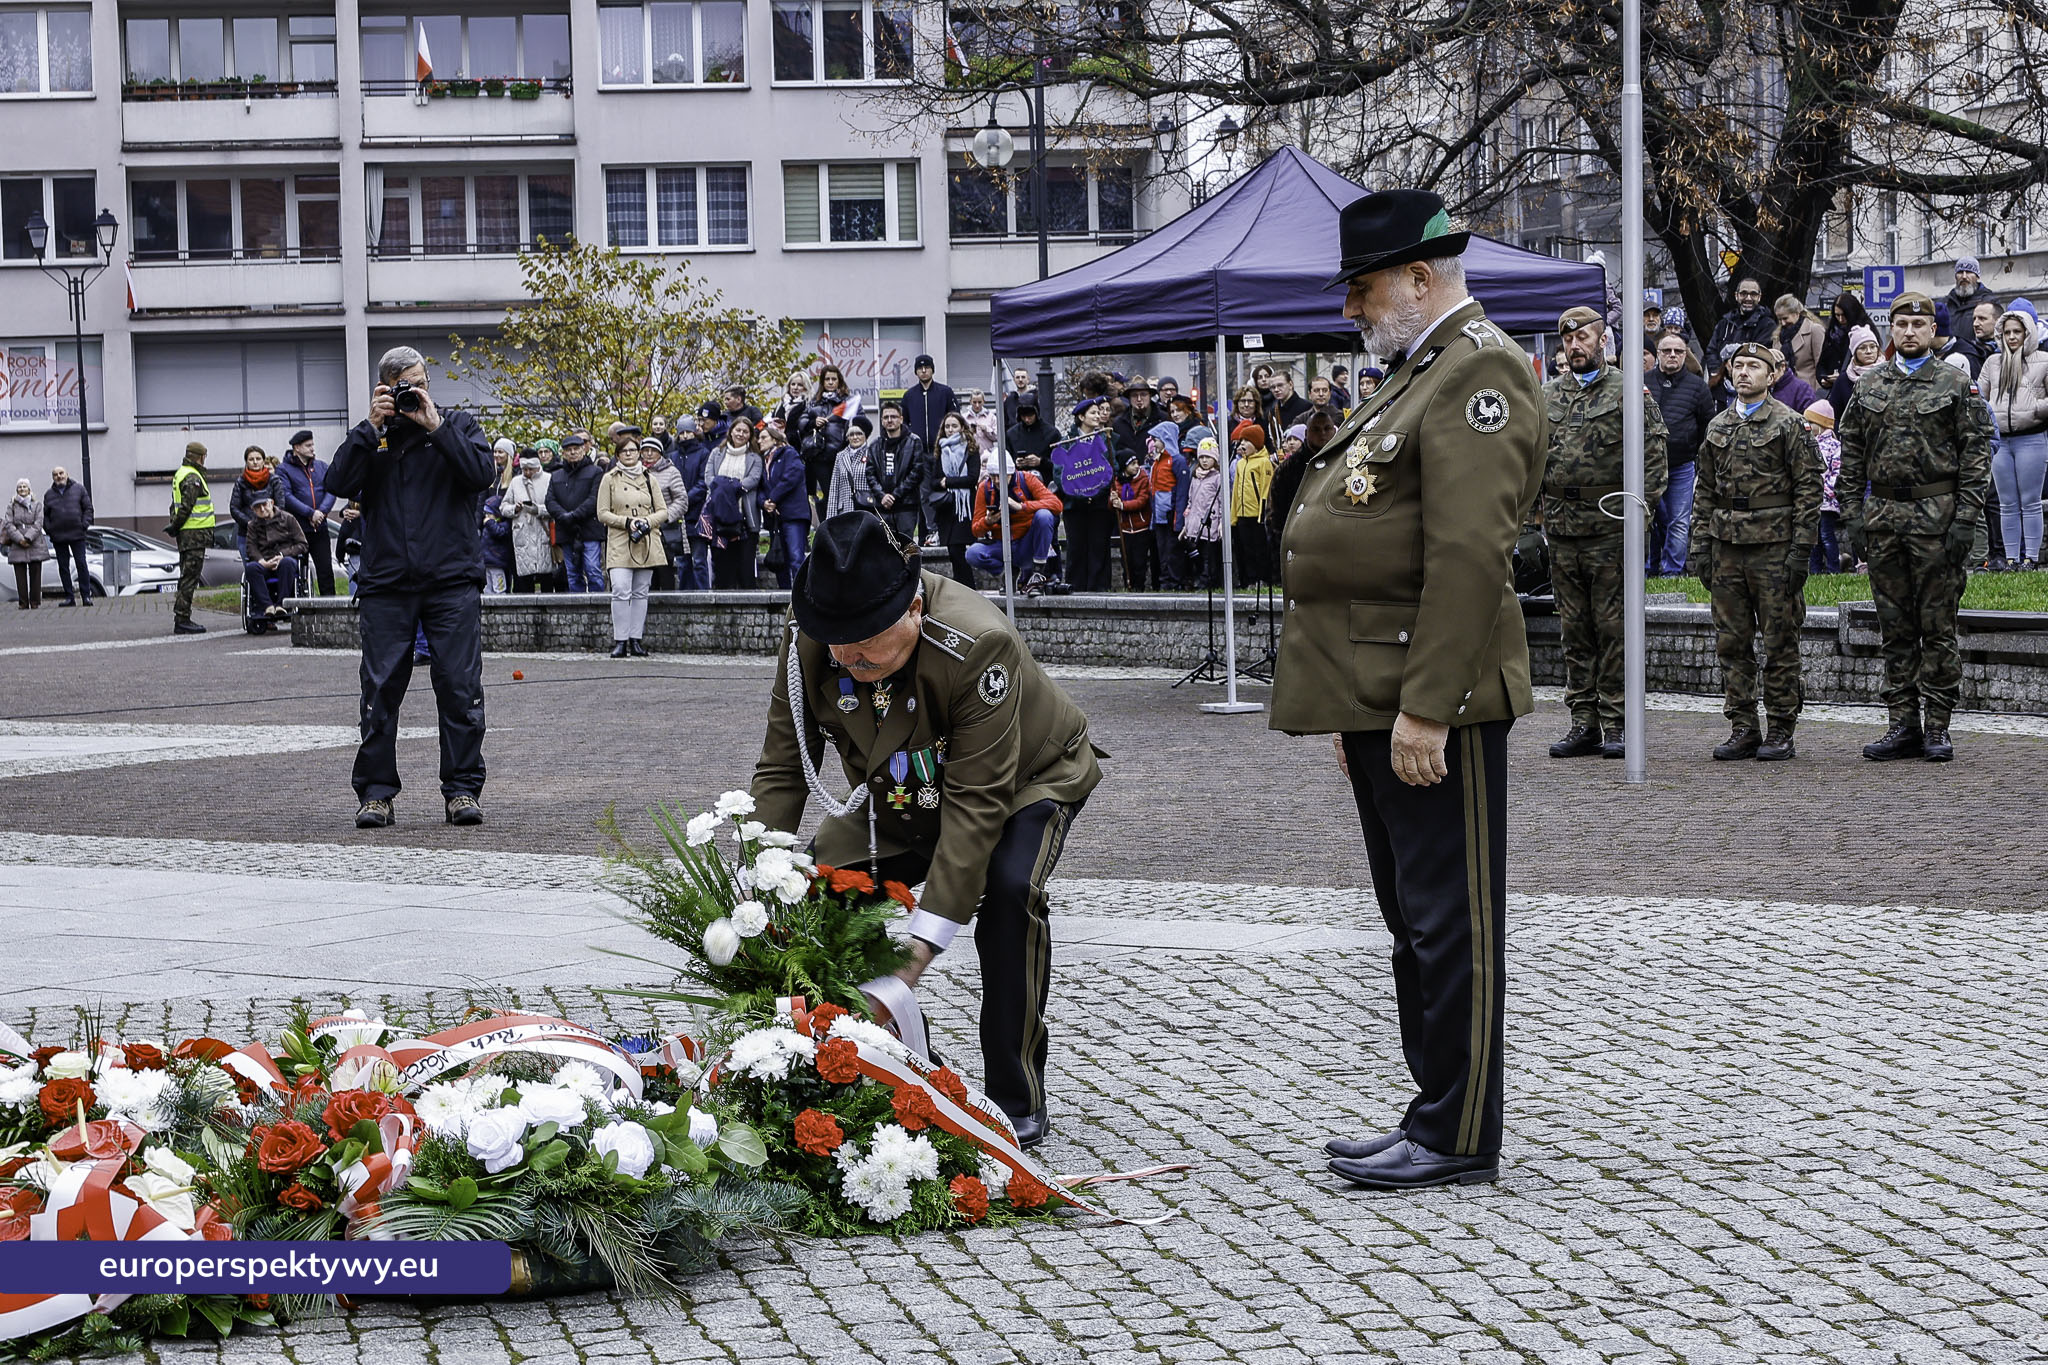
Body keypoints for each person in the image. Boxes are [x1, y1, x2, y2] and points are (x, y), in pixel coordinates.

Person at [1266, 187, 1544, 1191]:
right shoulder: (1420, 369)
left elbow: (1467, 559)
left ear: (1420, 277)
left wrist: (1423, 707)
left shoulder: (1478, 374)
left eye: (1364, 286)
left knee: (1447, 920)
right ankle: (1433, 1111)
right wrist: (1362, 710)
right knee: (1410, 919)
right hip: (1378, 693)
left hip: (1437, 700)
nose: (1351, 307)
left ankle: (1459, 1133)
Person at [751, 512, 1100, 1148]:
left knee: (1008, 892)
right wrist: (757, 888)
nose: (848, 661)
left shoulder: (975, 643)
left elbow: (975, 810)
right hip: (902, 787)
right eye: (838, 646)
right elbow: (782, 767)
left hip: (1024, 779)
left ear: (914, 608)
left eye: (865, 647)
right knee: (821, 891)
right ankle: (888, 1067)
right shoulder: (814, 634)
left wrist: (913, 959)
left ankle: (1011, 1098)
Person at [326, 344, 496, 829]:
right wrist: (370, 427)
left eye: (418, 383)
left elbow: (481, 474)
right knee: (379, 691)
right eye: (401, 387)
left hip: (450, 581)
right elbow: (338, 480)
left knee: (461, 689)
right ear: (384, 388)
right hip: (386, 584)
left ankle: (462, 790)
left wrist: (434, 425)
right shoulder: (373, 437)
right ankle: (376, 795)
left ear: (428, 381)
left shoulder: (457, 426)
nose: (411, 394)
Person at [1838, 292, 1994, 764]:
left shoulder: (1954, 384)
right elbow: (1850, 456)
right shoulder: (1870, 385)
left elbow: (1975, 455)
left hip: (1936, 521)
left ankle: (1938, 726)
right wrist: (1852, 516)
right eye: (1901, 324)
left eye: (1917, 325)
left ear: (1932, 332)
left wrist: (1966, 519)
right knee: (1895, 627)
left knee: (1937, 625)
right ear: (1891, 329)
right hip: (1884, 520)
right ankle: (1902, 724)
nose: (1908, 332)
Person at [1541, 306, 1669, 760]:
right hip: (1561, 529)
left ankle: (1616, 722)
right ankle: (1584, 721)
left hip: (1610, 529)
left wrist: (1642, 516)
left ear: (1602, 342)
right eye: (1568, 340)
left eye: (1584, 339)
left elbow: (1654, 459)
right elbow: (1531, 459)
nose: (1575, 347)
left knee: (1612, 628)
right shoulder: (1547, 396)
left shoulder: (1627, 392)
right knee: (1574, 630)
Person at [1688, 342, 1823, 762]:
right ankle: (1743, 725)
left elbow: (1808, 491)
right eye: (1738, 365)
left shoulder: (1789, 424)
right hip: (1727, 548)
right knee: (1732, 641)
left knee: (1780, 640)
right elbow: (1704, 490)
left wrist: (1801, 550)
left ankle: (1781, 726)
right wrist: (1700, 547)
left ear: (1773, 373)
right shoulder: (1717, 426)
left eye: (1754, 366)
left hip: (1773, 548)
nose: (1744, 372)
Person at [1978, 307, 2048, 570]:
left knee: (2030, 502)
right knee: (2007, 504)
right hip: (2001, 441)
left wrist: (2035, 409)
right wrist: (1989, 417)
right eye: (2006, 332)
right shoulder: (1992, 363)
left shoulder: (2043, 360)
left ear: (2027, 333)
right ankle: (2011, 559)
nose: (2011, 337)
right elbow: (1978, 398)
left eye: (2017, 331)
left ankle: (2030, 558)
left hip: (2032, 437)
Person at [1649, 332, 1714, 576]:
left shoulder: (1697, 387)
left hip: (1682, 465)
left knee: (1679, 520)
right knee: (1651, 519)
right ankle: (1648, 568)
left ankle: (1672, 572)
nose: (1673, 355)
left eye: (1678, 351)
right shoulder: (1643, 382)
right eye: (1667, 351)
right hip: (1649, 466)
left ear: (1686, 354)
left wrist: (1694, 453)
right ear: (1658, 354)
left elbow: (1707, 425)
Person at [596, 438, 669, 656]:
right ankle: (620, 640)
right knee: (620, 588)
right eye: (624, 451)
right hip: (620, 538)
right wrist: (626, 522)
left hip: (645, 538)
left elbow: (663, 510)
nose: (629, 454)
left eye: (633, 450)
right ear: (617, 455)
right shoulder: (609, 479)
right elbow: (602, 513)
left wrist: (647, 521)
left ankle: (636, 639)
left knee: (640, 591)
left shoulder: (649, 479)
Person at [968, 453, 1062, 592]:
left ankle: (1038, 572)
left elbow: (1056, 504)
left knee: (1044, 515)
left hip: (1027, 542)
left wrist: (1022, 506)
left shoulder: (1027, 479)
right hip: (1002, 544)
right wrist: (988, 522)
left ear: (1011, 472)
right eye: (993, 476)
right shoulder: (984, 488)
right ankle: (1008, 572)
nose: (997, 481)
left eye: (1001, 476)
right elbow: (976, 529)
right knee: (972, 553)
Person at [706, 416, 765, 588]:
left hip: (745, 518)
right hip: (719, 518)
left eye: (745, 431)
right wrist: (728, 486)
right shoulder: (716, 453)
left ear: (750, 435)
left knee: (745, 568)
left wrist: (727, 486)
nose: (741, 434)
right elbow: (709, 478)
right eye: (738, 430)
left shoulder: (755, 457)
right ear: (731, 431)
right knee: (723, 568)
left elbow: (753, 480)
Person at [277, 429, 337, 595]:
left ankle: (330, 607)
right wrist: (310, 513)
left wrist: (321, 513)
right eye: (308, 445)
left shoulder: (321, 467)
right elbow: (287, 496)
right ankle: (294, 606)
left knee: (325, 571)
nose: (312, 448)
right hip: (297, 530)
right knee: (294, 570)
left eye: (312, 444)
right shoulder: (283, 470)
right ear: (297, 447)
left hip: (319, 528)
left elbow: (331, 490)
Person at [167, 441, 217, 634]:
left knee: (186, 576)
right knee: (189, 578)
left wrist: (174, 525)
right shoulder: (192, 477)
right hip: (194, 535)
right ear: (201, 457)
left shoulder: (181, 473)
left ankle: (182, 617)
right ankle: (182, 619)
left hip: (187, 534)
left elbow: (175, 505)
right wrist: (175, 525)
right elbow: (186, 507)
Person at [546, 432, 605, 592]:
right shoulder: (556, 475)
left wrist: (573, 515)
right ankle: (578, 610)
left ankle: (599, 606)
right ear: (563, 453)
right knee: (572, 573)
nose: (572, 452)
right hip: (566, 530)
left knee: (593, 570)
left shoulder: (596, 472)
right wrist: (563, 516)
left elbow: (594, 499)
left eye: (576, 448)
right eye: (568, 449)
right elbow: (550, 501)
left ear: (584, 449)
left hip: (589, 529)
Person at [927, 411, 980, 586]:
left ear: (962, 427)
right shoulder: (941, 450)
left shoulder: (970, 449)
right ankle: (962, 587)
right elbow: (933, 481)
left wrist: (948, 481)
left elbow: (972, 478)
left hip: (964, 507)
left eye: (954, 426)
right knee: (952, 551)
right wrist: (944, 482)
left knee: (959, 550)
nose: (950, 430)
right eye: (947, 426)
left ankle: (968, 588)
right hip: (946, 508)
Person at [864, 399, 928, 545]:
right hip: (882, 507)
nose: (889, 420)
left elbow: (917, 472)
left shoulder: (913, 442)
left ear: (901, 419)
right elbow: (870, 474)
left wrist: (895, 495)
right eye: (886, 417)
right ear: (881, 421)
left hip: (906, 505)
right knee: (883, 549)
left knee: (906, 548)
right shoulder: (875, 445)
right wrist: (882, 496)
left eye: (893, 416)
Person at [242, 491, 309, 624]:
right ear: (253, 510)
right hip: (265, 561)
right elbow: (251, 548)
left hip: (285, 559)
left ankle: (281, 605)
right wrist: (262, 562)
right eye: (257, 507)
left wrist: (282, 555)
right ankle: (267, 606)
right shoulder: (252, 525)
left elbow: (302, 544)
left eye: (264, 505)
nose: (262, 509)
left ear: (271, 503)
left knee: (288, 563)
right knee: (251, 568)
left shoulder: (288, 519)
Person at [1706, 278, 1777, 396]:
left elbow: (1760, 354)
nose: (1748, 298)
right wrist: (1717, 370)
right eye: (1744, 293)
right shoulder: (1724, 324)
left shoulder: (1767, 325)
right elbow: (1711, 351)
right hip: (1722, 389)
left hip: (1752, 388)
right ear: (1736, 296)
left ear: (1759, 297)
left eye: (1753, 294)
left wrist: (1735, 365)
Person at [762, 423, 812, 589]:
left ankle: (801, 594)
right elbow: (761, 486)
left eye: (764, 437)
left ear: (775, 439)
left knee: (795, 556)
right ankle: (784, 592)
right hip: (776, 517)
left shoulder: (789, 454)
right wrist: (765, 502)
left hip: (793, 515)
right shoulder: (764, 461)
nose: (760, 441)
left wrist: (773, 498)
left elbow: (792, 476)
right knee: (780, 557)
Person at [799, 366, 853, 515]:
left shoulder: (848, 401)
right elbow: (801, 423)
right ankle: (826, 528)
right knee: (824, 496)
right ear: (822, 382)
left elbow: (857, 423)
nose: (830, 382)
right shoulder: (813, 403)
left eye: (833, 379)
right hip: (819, 456)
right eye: (827, 379)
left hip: (841, 455)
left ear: (839, 381)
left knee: (843, 495)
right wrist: (813, 423)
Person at [1228, 421, 1276, 586]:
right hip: (1243, 513)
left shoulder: (1264, 462)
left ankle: (1263, 579)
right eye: (1241, 441)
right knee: (1246, 549)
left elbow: (1266, 487)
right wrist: (1233, 515)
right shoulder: (1241, 464)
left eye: (1246, 441)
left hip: (1257, 514)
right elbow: (1236, 491)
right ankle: (1249, 579)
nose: (1242, 444)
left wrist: (1263, 513)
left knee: (1260, 549)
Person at [500, 451, 554, 592]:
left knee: (546, 575)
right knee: (524, 578)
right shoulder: (516, 482)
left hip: (543, 531)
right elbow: (503, 506)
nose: (528, 472)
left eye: (531, 469)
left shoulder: (549, 479)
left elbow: (556, 507)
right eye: (524, 469)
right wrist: (514, 509)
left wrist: (539, 509)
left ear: (538, 467)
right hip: (522, 532)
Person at [672, 416, 713, 589]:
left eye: (689, 432)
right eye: (682, 433)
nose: (686, 436)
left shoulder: (703, 454)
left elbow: (703, 482)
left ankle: (703, 593)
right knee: (682, 562)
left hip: (696, 514)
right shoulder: (673, 456)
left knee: (699, 560)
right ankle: (684, 595)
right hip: (678, 516)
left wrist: (684, 500)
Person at [42, 466, 92, 606]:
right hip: (59, 537)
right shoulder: (49, 494)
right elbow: (46, 516)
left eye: (61, 473)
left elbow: (88, 508)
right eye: (55, 474)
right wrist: (50, 530)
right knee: (63, 567)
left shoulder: (79, 489)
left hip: (77, 535)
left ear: (67, 474)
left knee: (81, 564)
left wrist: (84, 525)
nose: (59, 476)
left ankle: (86, 596)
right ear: (53, 478)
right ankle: (69, 597)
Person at [898, 355, 958, 472]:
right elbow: (903, 421)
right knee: (922, 487)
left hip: (943, 449)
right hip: (918, 452)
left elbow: (955, 417)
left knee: (941, 483)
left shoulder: (945, 392)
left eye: (927, 367)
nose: (924, 371)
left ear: (932, 370)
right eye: (920, 368)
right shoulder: (909, 395)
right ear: (916, 372)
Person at [1180, 439, 1227, 588]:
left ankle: (1207, 582)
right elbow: (1191, 502)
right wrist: (1186, 525)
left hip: (1210, 524)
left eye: (1208, 457)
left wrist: (1221, 523)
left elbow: (1222, 502)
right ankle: (1196, 579)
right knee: (1195, 555)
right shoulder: (1195, 476)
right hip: (1194, 524)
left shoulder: (1218, 478)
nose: (1205, 460)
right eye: (1202, 457)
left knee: (1208, 557)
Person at [1804, 401, 1843, 574]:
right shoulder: (1807, 445)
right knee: (1814, 539)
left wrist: (1827, 491)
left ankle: (1833, 569)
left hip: (1827, 503)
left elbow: (1836, 472)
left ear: (1820, 425)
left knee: (1827, 536)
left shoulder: (1834, 446)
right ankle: (1815, 571)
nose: (1808, 426)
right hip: (1811, 501)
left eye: (1811, 423)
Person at [4, 478, 52, 609]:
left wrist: (28, 538)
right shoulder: (12, 506)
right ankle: (23, 603)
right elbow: (8, 524)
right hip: (17, 543)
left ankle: (35, 602)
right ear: (16, 490)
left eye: (24, 486)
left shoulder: (37, 505)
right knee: (20, 575)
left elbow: (39, 523)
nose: (22, 489)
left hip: (35, 543)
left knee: (36, 574)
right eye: (19, 487)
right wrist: (20, 539)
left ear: (29, 489)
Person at [1113, 447, 1156, 590]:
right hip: (1125, 529)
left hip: (1140, 528)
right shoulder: (1117, 481)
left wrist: (1123, 505)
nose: (1137, 466)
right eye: (1132, 464)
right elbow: (1112, 503)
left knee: (1139, 562)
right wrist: (1112, 501)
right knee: (1127, 561)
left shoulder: (1143, 479)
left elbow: (1141, 501)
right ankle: (1128, 585)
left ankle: (1139, 587)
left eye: (1137, 463)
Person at [828, 415, 880, 520]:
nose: (855, 437)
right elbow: (834, 489)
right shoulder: (840, 456)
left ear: (866, 436)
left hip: (867, 509)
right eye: (851, 434)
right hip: (845, 511)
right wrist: (830, 519)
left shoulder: (872, 454)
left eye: (859, 434)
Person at [1818, 292, 1871, 390]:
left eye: (1844, 315)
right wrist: (1823, 378)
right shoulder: (1832, 333)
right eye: (1837, 315)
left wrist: (1843, 378)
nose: (1841, 319)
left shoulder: (1865, 332)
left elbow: (1870, 364)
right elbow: (1822, 363)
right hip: (1834, 389)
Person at [1774, 295, 1827, 391]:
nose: (1783, 323)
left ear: (1797, 314)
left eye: (1785, 318)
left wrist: (1819, 395)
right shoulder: (1777, 337)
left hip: (1808, 391)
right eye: (1779, 319)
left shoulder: (1814, 330)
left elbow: (1821, 367)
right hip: (1783, 392)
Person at [228, 446, 274, 554]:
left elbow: (281, 505)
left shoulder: (273, 480)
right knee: (251, 569)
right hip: (247, 534)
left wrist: (270, 520)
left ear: (263, 461)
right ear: (246, 462)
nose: (255, 462)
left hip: (272, 532)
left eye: (258, 459)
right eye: (251, 459)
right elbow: (234, 508)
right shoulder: (241, 482)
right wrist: (250, 523)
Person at [1829, 326, 1882, 416]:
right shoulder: (1844, 380)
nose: (1869, 351)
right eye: (1862, 348)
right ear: (1854, 352)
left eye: (1873, 347)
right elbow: (1834, 414)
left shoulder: (1889, 374)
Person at [1944, 256, 1997, 333]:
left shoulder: (1989, 302)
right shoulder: (1946, 304)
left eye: (1969, 272)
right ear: (1955, 276)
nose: (1964, 276)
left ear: (1977, 276)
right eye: (1960, 272)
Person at [1768, 348, 1818, 420]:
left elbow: (1809, 421)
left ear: (1782, 367)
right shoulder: (1758, 387)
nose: (1768, 374)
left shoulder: (1802, 389)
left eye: (1771, 370)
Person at [962, 388, 999, 458]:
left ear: (984, 402)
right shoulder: (964, 418)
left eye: (979, 402)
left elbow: (997, 437)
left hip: (987, 455)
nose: (977, 405)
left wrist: (986, 429)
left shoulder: (991, 417)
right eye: (974, 402)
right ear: (970, 402)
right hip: (969, 455)